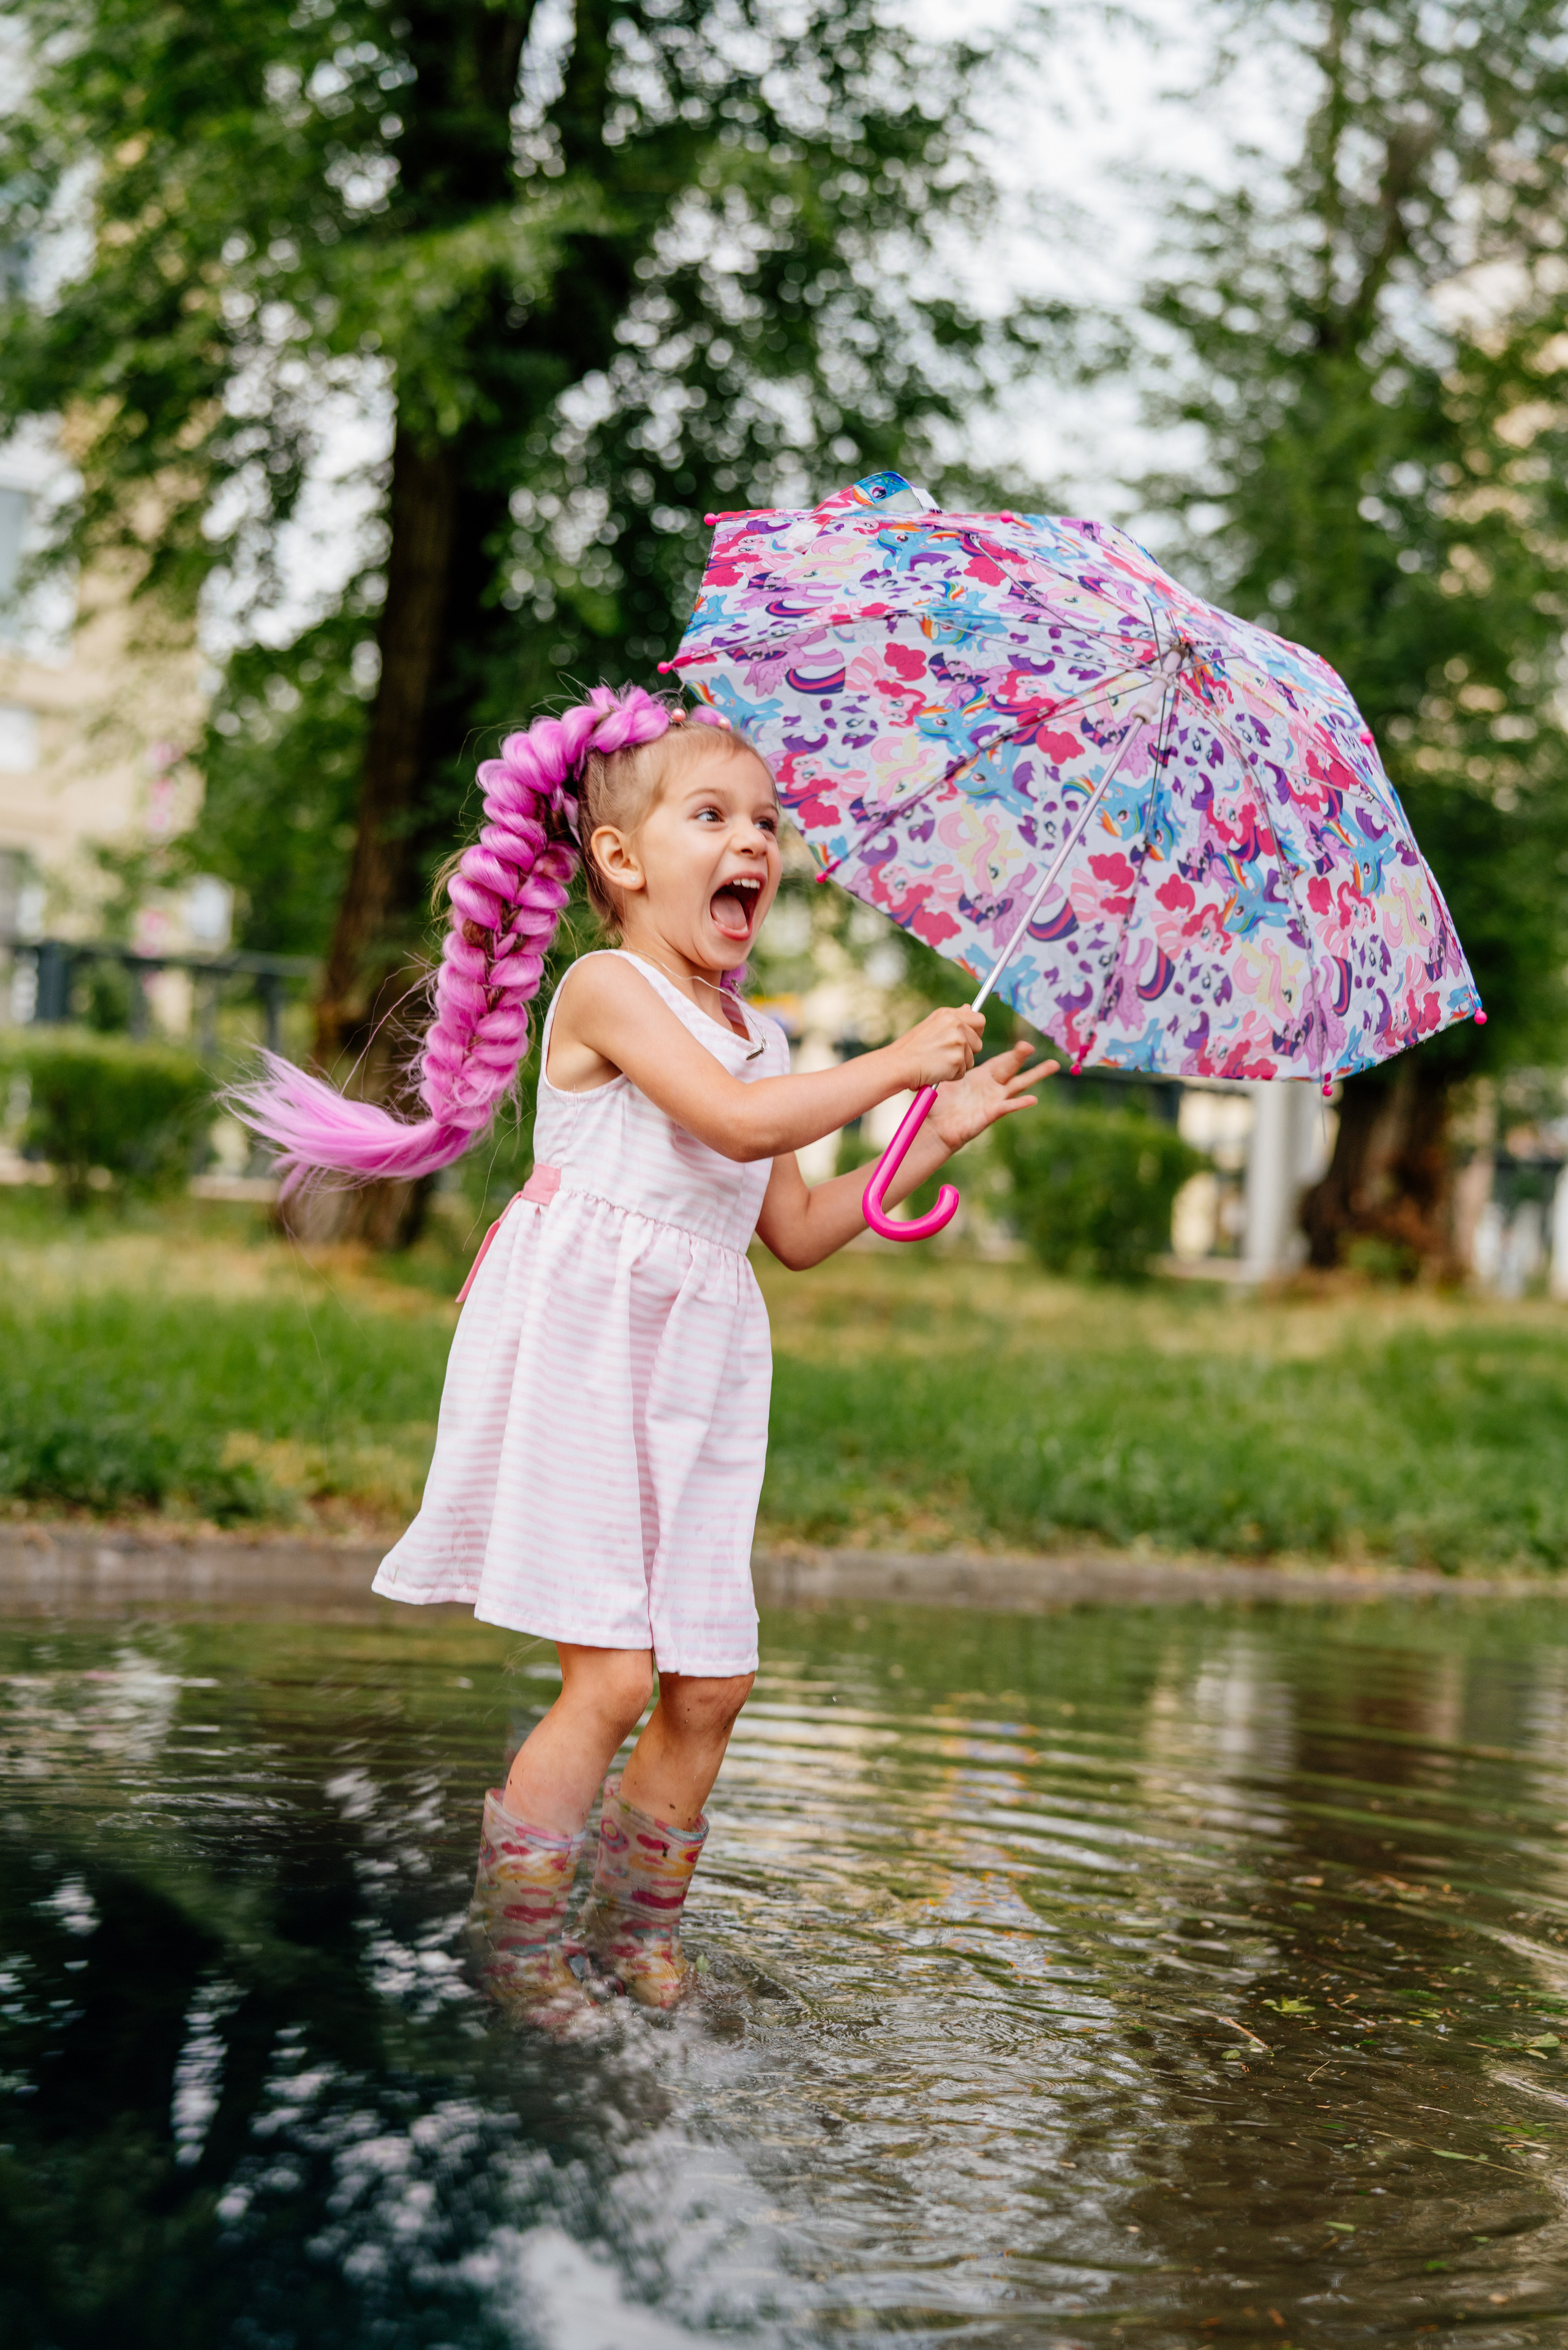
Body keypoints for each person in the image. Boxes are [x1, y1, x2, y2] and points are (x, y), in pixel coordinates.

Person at [235, 684, 1055, 2035]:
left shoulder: (763, 1035)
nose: (755, 842)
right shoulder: (607, 987)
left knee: (711, 1682)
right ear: (618, 858)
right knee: (612, 1678)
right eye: (714, 815)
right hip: (585, 1343)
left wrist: (934, 1128)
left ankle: (638, 1939)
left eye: (767, 822)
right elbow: (730, 1124)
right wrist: (894, 1062)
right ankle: (517, 1950)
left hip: (702, 1362)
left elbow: (796, 1227)